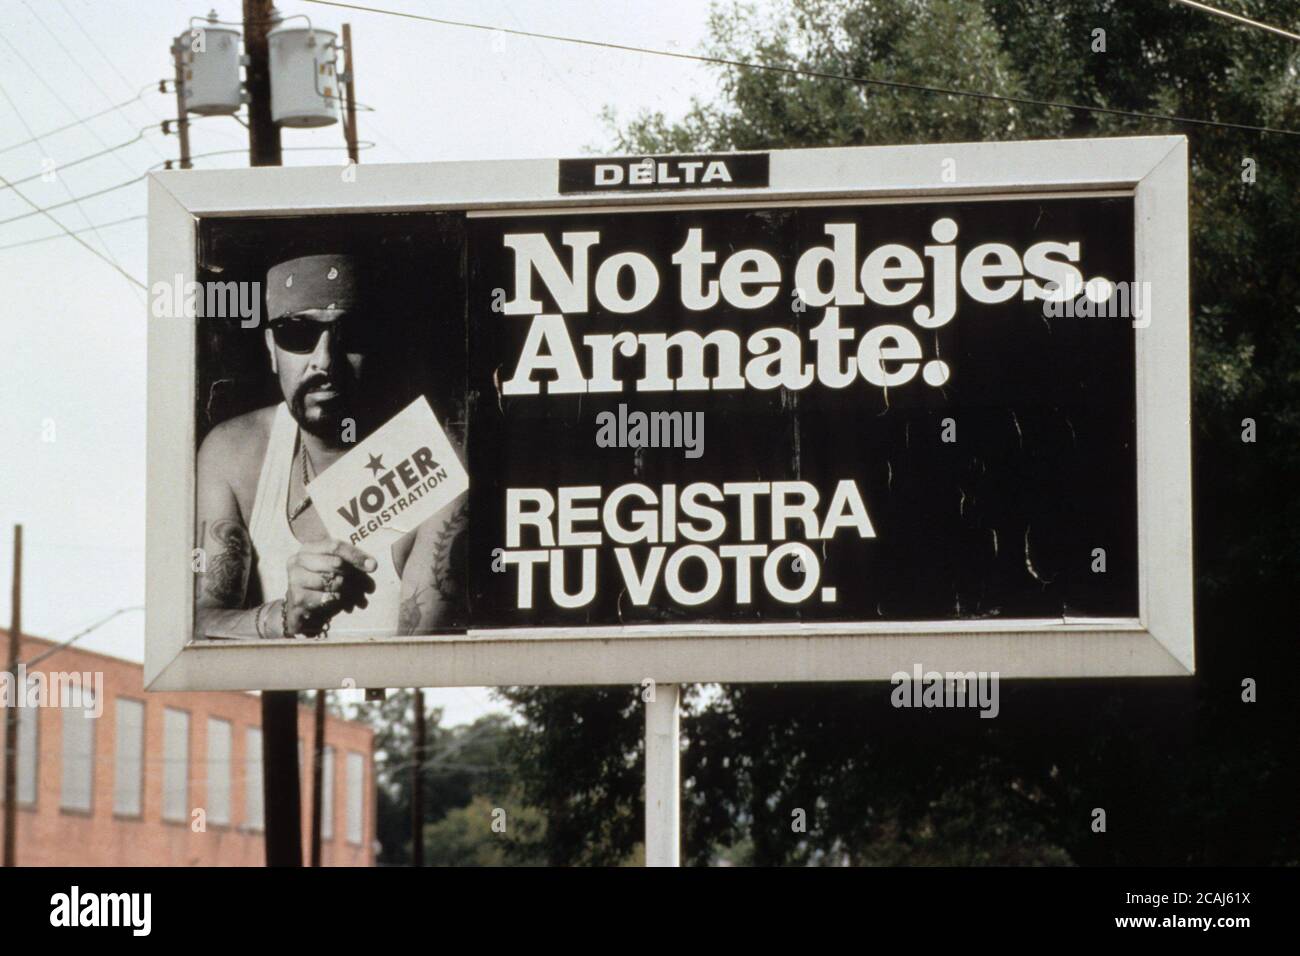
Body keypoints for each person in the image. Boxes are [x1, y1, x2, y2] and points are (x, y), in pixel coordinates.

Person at [193, 253, 465, 641]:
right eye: (298, 335)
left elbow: (420, 663)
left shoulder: (437, 460)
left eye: (350, 335)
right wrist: (283, 617)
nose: (324, 361)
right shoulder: (234, 452)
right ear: (271, 348)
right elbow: (197, 627)